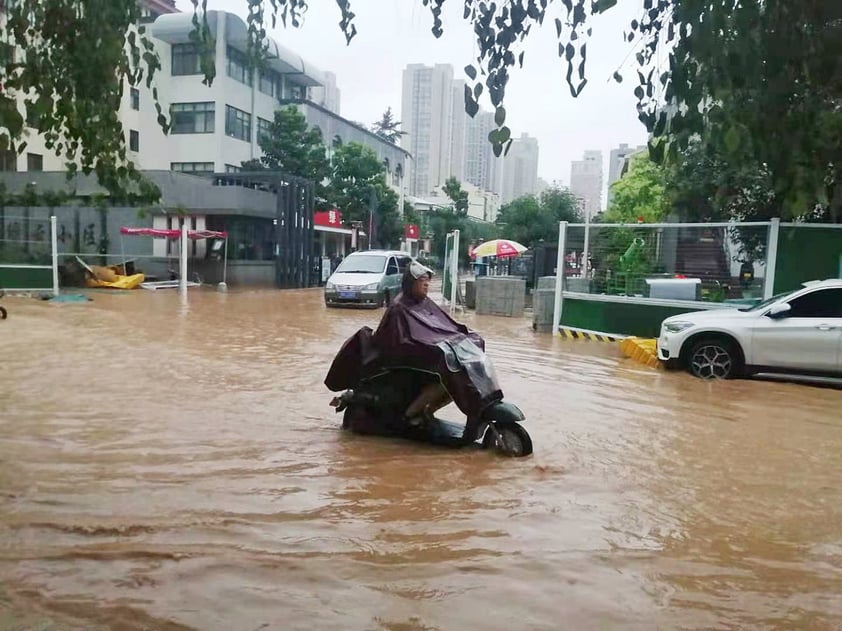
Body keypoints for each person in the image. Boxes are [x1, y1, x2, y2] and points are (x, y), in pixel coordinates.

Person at [372, 261, 454, 426]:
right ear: (411, 283)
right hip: (399, 366)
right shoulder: (398, 308)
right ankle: (409, 415)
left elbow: (442, 326)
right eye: (422, 280)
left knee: (460, 381)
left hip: (418, 359)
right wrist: (432, 349)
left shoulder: (423, 303)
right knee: (446, 379)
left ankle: (427, 411)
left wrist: (463, 336)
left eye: (427, 280)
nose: (426, 284)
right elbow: (401, 344)